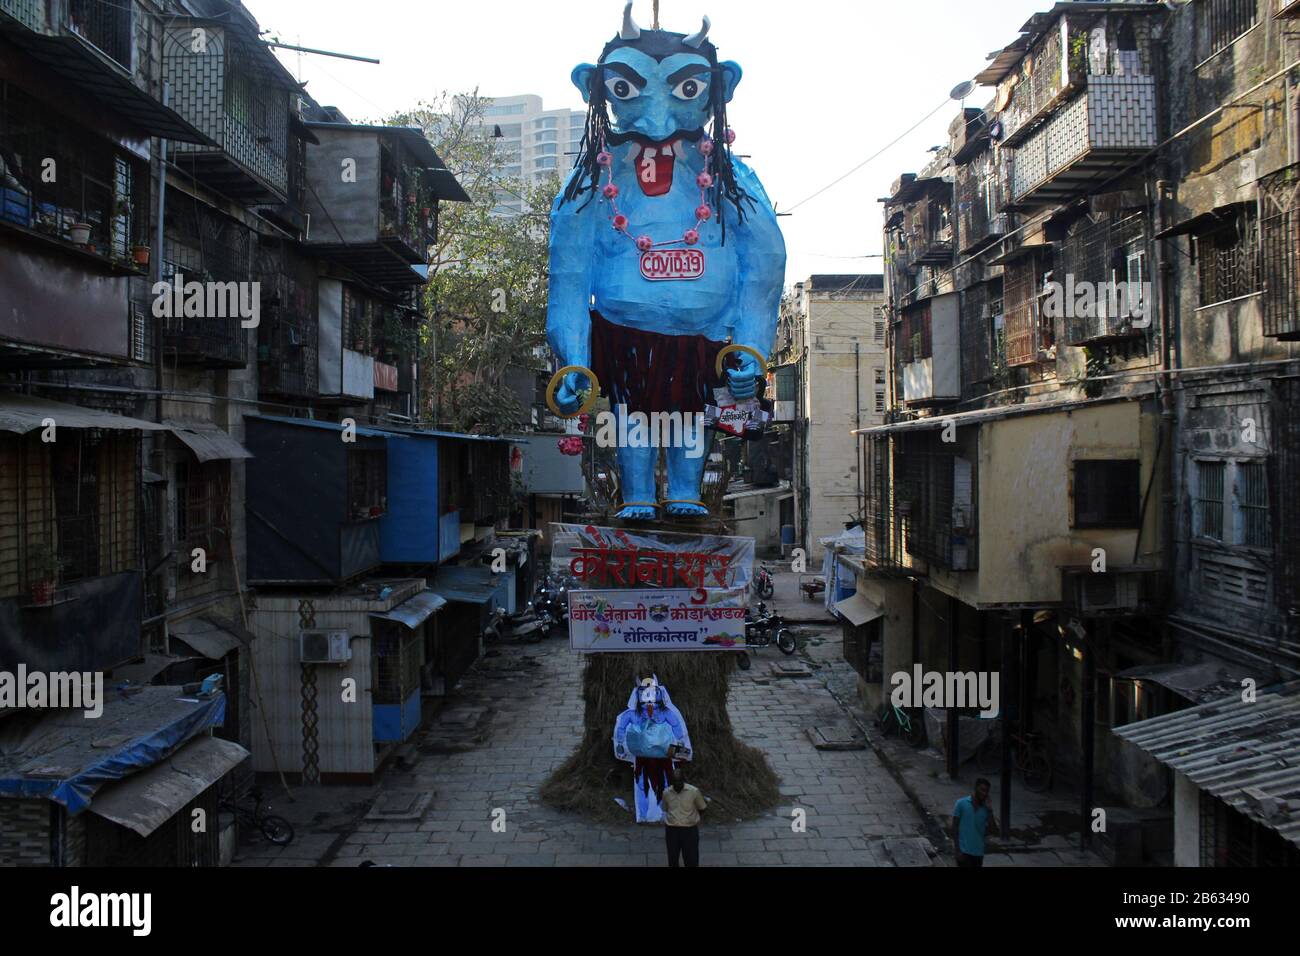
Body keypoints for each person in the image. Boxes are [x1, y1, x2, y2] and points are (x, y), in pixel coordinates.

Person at [660, 766, 707, 867]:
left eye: (679, 781)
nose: (677, 784)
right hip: (672, 831)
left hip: (689, 831)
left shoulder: (694, 792)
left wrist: (692, 818)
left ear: (683, 780)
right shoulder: (666, 793)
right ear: (671, 781)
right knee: (672, 860)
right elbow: (665, 808)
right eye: (675, 781)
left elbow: (702, 808)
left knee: (691, 860)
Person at [952, 777, 998, 867]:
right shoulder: (961, 803)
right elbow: (954, 827)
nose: (984, 793)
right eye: (982, 790)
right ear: (976, 788)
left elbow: (994, 831)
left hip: (978, 853)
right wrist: (957, 850)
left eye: (987, 791)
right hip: (963, 851)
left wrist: (990, 811)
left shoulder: (986, 809)